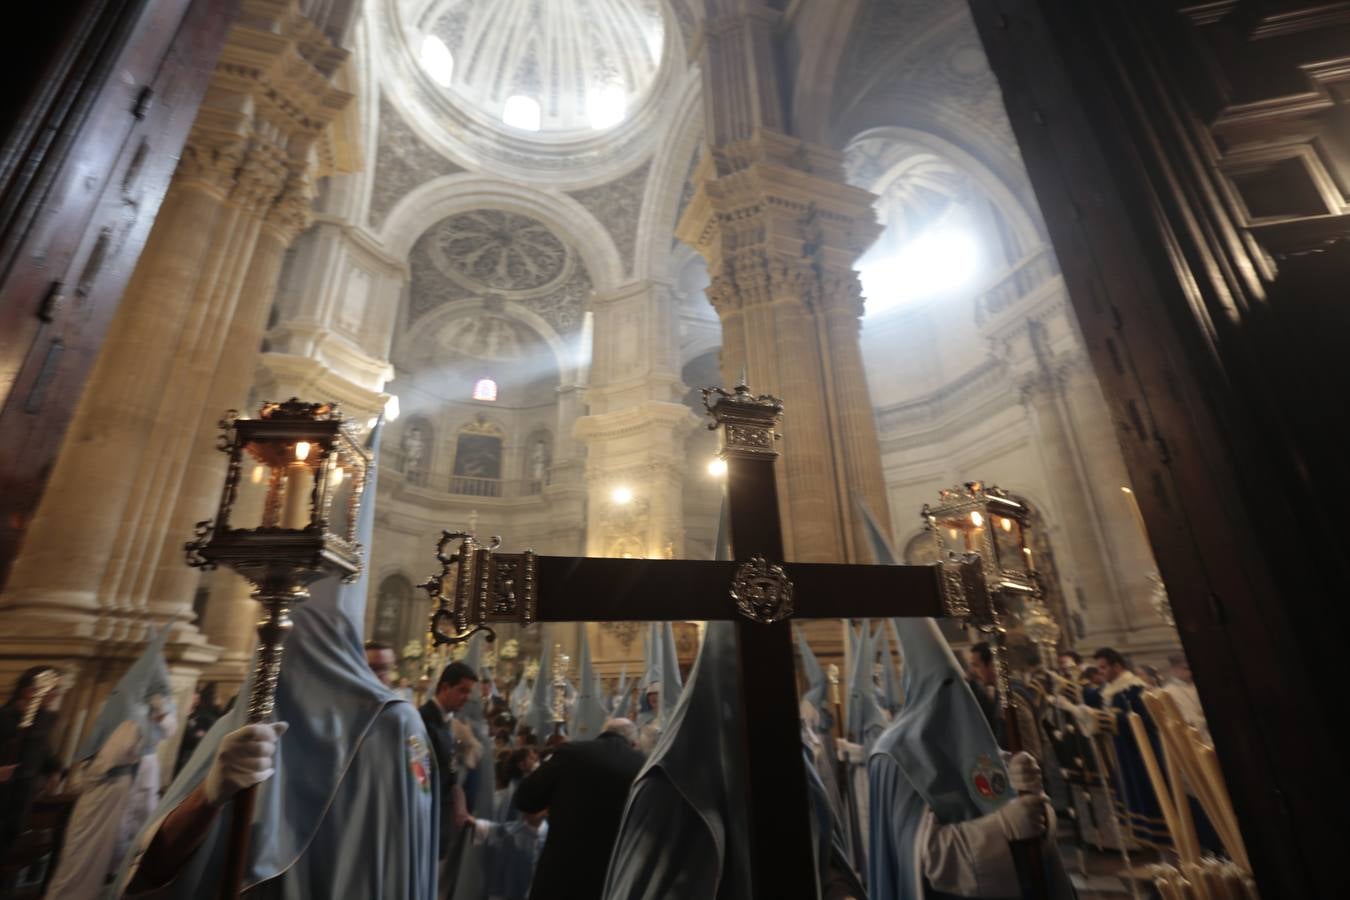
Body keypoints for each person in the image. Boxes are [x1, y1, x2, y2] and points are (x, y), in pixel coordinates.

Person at [117, 423, 438, 899]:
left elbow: (395, 861)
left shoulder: (391, 724)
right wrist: (209, 795)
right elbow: (152, 873)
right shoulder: (245, 718)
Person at [858, 507, 1074, 900]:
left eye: (958, 683)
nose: (954, 696)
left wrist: (1028, 795)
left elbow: (1019, 826)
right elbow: (919, 858)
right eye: (944, 686)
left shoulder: (969, 734)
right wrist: (1003, 828)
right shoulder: (896, 754)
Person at [46, 628, 177, 900]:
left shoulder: (140, 723)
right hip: (105, 793)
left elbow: (166, 728)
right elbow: (102, 764)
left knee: (111, 855)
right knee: (83, 858)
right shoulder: (129, 721)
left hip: (120, 791)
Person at [517, 717, 644, 900]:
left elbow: (525, 798)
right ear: (634, 743)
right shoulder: (641, 765)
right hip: (609, 880)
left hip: (559, 874)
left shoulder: (570, 752)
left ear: (601, 733)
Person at [421, 659, 477, 882]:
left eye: (469, 692)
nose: (466, 697)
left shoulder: (446, 721)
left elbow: (449, 766)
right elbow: (420, 775)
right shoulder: (423, 720)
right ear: (444, 687)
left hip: (440, 815)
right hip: (426, 815)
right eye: (462, 690)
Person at [0, 666, 62, 864]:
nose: (55, 695)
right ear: (29, 691)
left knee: (10, 840)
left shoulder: (45, 718)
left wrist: (54, 769)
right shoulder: (4, 717)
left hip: (24, 794)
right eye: (51, 690)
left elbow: (43, 750)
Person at [173, 682, 221, 777]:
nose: (196, 697)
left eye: (196, 694)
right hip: (180, 757)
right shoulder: (186, 714)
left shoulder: (204, 716)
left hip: (190, 758)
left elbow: (200, 738)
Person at [1162, 652, 1210, 744]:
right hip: (1190, 739)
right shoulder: (1167, 692)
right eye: (1186, 668)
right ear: (1174, 669)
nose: (1190, 672)